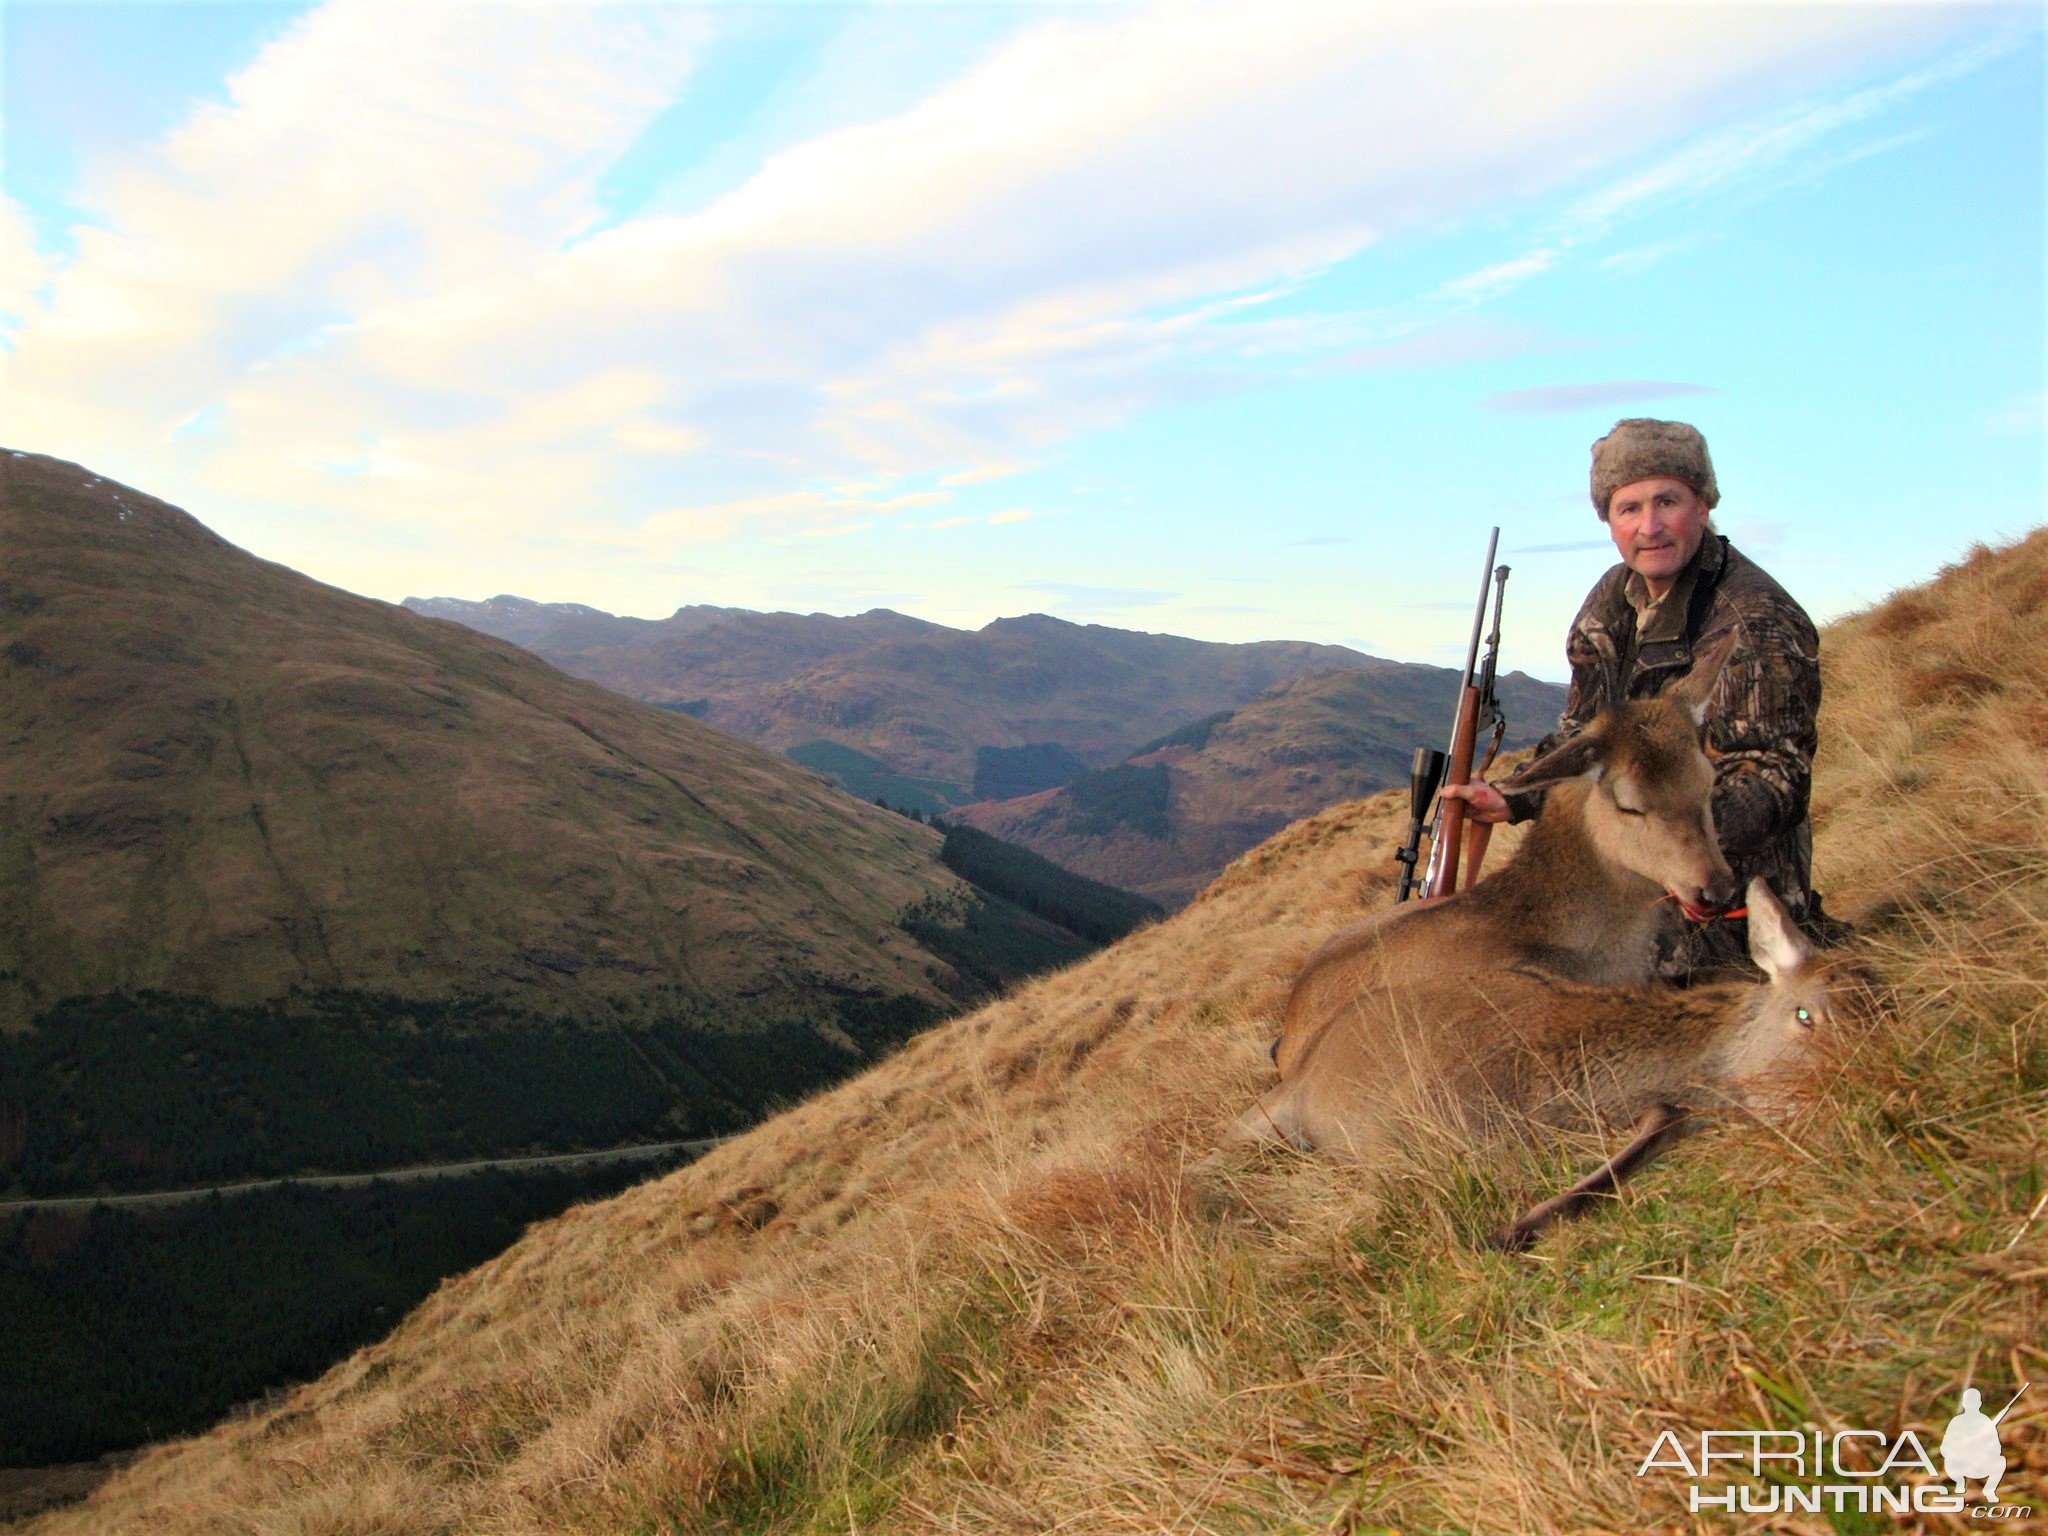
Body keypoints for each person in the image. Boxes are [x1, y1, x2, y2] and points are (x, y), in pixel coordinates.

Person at [1443, 418, 1827, 979]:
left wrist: (1662, 830)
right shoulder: (1611, 602)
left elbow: (1774, 779)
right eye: (1629, 508)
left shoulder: (1756, 619)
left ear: (1702, 505)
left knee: (1565, 982)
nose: (1649, 526)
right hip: (1627, 861)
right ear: (1609, 520)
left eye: (1667, 501)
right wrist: (1512, 797)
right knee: (1494, 947)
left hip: (1727, 882)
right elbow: (1585, 735)